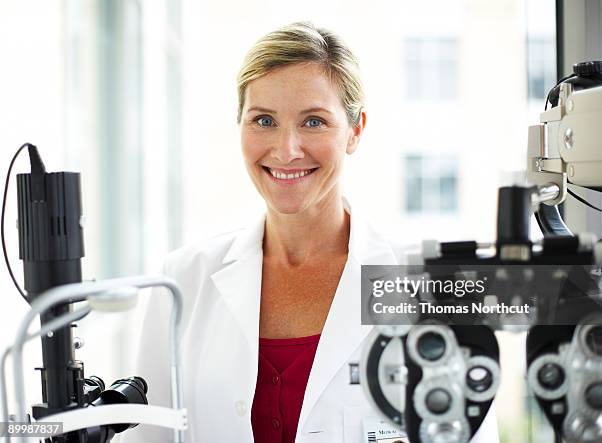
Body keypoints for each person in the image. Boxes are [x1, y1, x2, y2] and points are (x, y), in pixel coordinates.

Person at [122, 22, 499, 443]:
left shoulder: (429, 286)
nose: (286, 150)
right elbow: (146, 435)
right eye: (263, 120)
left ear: (355, 131)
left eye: (314, 122)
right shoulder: (181, 280)